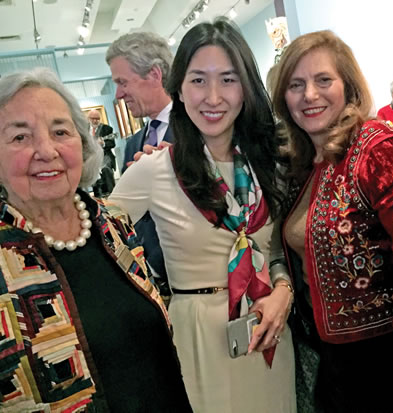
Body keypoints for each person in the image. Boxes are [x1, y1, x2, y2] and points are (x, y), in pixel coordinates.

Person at [109, 18, 296, 413]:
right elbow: (99, 237)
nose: (213, 97)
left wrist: (284, 291)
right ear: (177, 87)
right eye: (198, 80)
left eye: (228, 79)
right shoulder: (155, 169)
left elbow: (279, 248)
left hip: (268, 332)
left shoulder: (270, 163)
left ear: (246, 87)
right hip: (198, 339)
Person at [0, 68, 191, 412]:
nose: (46, 150)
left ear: (82, 143)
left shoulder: (112, 224)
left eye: (60, 131)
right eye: (20, 137)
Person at [271, 30, 393, 413]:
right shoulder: (303, 162)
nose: (309, 95)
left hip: (388, 357)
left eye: (323, 80)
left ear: (349, 86)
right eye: (296, 85)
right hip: (332, 355)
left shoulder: (379, 149)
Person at [106, 31, 173, 287]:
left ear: (154, 74)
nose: (118, 94)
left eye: (123, 82)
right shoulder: (133, 144)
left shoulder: (197, 132)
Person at [87, 109, 116, 197]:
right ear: (88, 119)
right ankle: (98, 197)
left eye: (97, 118)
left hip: (105, 156)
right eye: (93, 118)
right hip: (91, 157)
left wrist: (103, 143)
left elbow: (112, 143)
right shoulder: (83, 129)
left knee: (106, 169)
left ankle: (112, 195)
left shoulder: (107, 129)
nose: (95, 121)